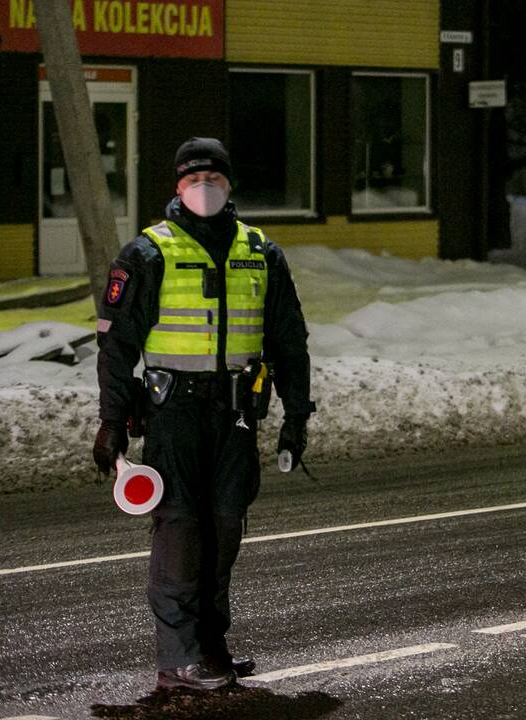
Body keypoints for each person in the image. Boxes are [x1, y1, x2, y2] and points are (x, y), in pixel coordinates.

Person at [92, 137, 316, 690]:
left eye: (214, 176)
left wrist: (295, 416)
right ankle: (179, 658)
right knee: (182, 533)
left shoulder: (261, 251)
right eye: (194, 177)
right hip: (174, 418)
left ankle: (211, 648)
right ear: (176, 185)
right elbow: (117, 347)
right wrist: (113, 421)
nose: (205, 186)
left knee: (224, 531)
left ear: (230, 183)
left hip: (237, 418)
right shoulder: (147, 253)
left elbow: (290, 341)